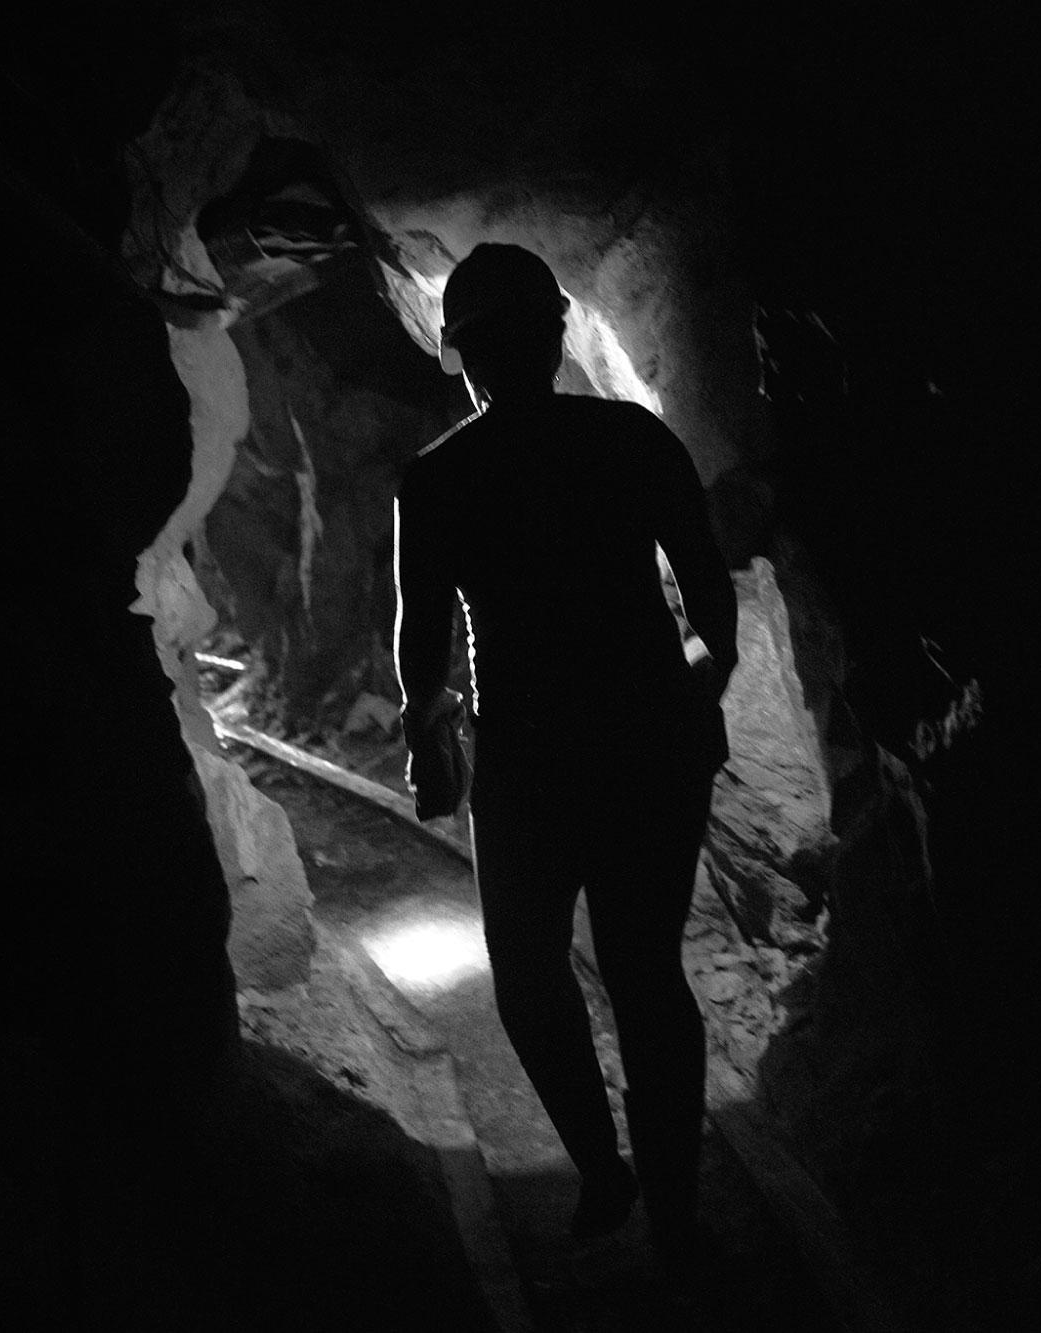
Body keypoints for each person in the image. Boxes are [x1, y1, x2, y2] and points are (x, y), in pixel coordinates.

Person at [392, 243, 738, 1267]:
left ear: (463, 356)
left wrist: (426, 736)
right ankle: (674, 1216)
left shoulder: (438, 477)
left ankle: (601, 1166)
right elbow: (709, 602)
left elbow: (421, 641)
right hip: (644, 741)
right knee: (646, 974)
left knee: (528, 975)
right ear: (555, 336)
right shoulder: (632, 439)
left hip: (526, 760)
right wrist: (695, 691)